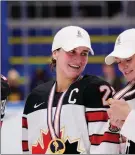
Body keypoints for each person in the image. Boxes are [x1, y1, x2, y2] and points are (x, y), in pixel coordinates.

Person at [22, 26, 119, 154]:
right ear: (55, 53)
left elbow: (107, 148)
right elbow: (27, 149)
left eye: (84, 53)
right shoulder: (35, 97)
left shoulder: (97, 90)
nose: (78, 60)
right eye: (72, 51)